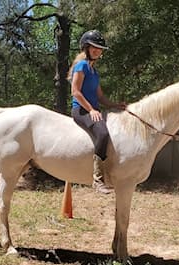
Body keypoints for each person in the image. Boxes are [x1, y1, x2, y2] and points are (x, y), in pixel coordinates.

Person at [69, 30, 125, 194]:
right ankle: (97, 179)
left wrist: (115, 105)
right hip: (80, 110)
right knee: (102, 134)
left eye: (100, 48)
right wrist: (91, 109)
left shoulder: (94, 72)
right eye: (94, 47)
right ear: (86, 48)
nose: (97, 51)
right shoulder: (81, 66)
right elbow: (75, 92)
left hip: (92, 109)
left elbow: (99, 96)